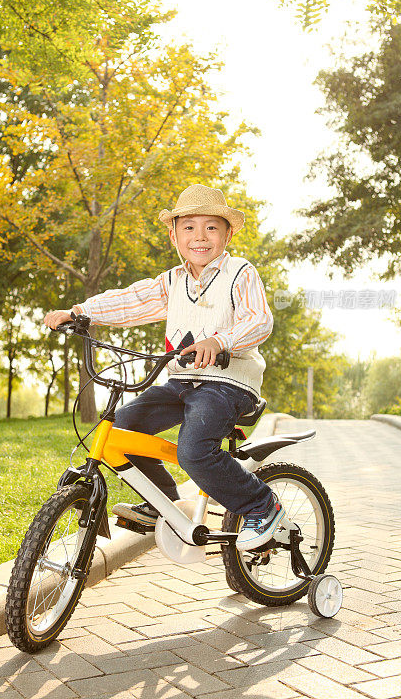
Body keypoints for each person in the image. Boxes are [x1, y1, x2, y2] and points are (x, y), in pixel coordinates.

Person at [44, 184, 285, 550]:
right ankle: (166, 504)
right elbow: (131, 301)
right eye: (188, 227)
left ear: (228, 232)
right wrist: (81, 312)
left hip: (228, 382)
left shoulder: (240, 272)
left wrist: (220, 341)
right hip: (183, 381)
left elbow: (259, 320)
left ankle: (261, 504)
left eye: (211, 227)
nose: (199, 237)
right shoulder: (172, 281)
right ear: (173, 234)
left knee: (193, 451)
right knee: (124, 427)